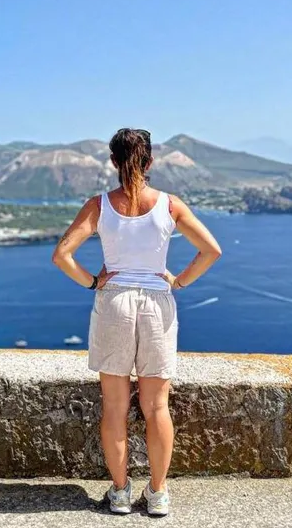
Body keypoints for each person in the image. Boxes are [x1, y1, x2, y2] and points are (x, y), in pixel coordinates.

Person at [52, 127, 222, 516]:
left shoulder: (99, 206)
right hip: (157, 305)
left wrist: (93, 281)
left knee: (114, 407)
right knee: (157, 406)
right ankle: (158, 494)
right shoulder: (170, 205)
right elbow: (211, 250)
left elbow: (62, 255)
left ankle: (119, 493)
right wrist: (178, 281)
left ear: (113, 161)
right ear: (150, 162)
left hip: (114, 302)